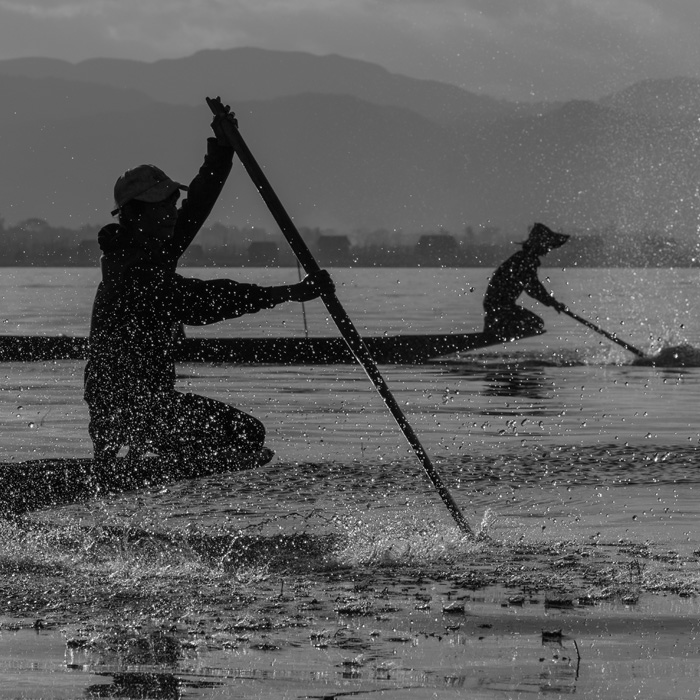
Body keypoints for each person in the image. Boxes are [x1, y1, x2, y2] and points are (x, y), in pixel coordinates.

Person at [84, 98, 334, 468]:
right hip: (124, 409)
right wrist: (288, 294)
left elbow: (197, 205)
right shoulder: (133, 270)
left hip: (148, 405)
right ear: (135, 215)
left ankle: (144, 459)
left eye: (172, 202)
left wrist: (221, 150)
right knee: (246, 436)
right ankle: (137, 461)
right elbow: (203, 301)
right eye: (161, 206)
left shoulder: (154, 244)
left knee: (247, 436)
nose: (171, 212)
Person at [483, 222, 569, 339]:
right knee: (535, 323)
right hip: (499, 306)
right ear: (539, 244)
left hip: (498, 306)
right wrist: (553, 303)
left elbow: (532, 286)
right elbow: (533, 288)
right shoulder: (525, 260)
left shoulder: (523, 258)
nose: (548, 250)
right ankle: (497, 325)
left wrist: (552, 303)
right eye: (547, 246)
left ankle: (496, 324)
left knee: (535, 323)